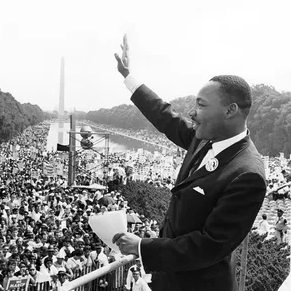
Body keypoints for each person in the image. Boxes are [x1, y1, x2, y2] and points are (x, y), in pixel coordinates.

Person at [112, 36, 266, 291]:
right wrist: (129, 77)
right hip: (167, 279)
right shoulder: (205, 137)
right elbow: (166, 117)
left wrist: (142, 246)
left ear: (231, 111)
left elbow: (209, 245)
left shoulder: (247, 174)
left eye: (201, 105)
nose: (192, 112)